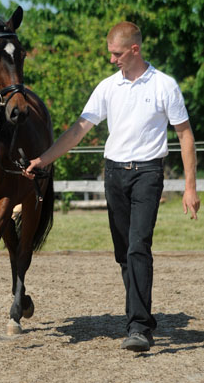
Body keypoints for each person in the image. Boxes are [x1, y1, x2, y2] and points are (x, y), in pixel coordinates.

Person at [23, 21, 200, 352]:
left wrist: (190, 187)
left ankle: (139, 327)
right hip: (114, 174)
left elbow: (185, 134)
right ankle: (138, 315)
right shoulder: (107, 87)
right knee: (123, 253)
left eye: (116, 54)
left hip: (148, 173)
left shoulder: (165, 86)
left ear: (134, 50)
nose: (112, 60)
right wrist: (44, 159)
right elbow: (77, 130)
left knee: (138, 246)